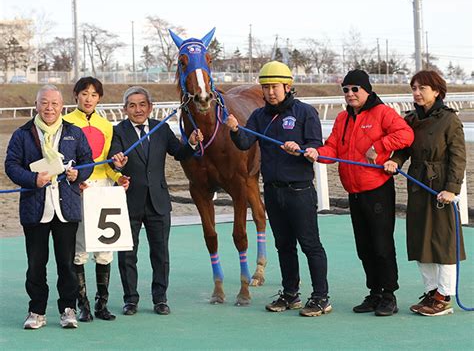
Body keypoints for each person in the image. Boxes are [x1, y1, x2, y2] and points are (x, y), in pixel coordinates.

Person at [225, 61, 331, 317]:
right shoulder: (260, 116)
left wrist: (303, 150)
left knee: (310, 244)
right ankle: (290, 293)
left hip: (300, 191)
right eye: (266, 87)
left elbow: (316, 147)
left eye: (274, 86)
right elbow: (245, 142)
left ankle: (320, 297)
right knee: (284, 245)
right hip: (273, 191)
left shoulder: (305, 113)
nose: (270, 92)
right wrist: (235, 130)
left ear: (288, 86)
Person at [305, 69, 414, 316]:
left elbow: (406, 135)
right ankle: (374, 292)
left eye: (355, 89)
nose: (350, 94)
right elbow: (333, 147)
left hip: (377, 189)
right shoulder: (343, 119)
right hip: (353, 191)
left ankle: (389, 294)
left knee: (381, 243)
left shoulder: (383, 113)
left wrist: (380, 146)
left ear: (367, 90)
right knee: (364, 245)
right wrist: (317, 154)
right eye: (346, 89)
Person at [5, 85, 93, 329]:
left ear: (62, 106)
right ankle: (36, 311)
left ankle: (68, 309)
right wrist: (33, 180)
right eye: (44, 102)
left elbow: (88, 162)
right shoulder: (22, 134)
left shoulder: (74, 133)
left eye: (54, 103)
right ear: (36, 105)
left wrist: (79, 174)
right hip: (35, 209)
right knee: (36, 263)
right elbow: (11, 165)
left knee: (66, 263)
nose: (49, 108)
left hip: (66, 209)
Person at [109, 86, 203, 316]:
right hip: (129, 201)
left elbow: (179, 153)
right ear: (124, 109)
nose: (138, 109)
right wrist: (117, 164)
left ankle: (160, 298)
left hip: (159, 202)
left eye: (142, 104)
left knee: (160, 254)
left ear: (150, 107)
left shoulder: (162, 129)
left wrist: (190, 143)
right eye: (132, 105)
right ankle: (130, 299)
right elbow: (114, 159)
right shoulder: (118, 131)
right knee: (127, 255)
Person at [384, 70, 466, 316]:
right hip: (418, 184)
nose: (417, 93)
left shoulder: (449, 120)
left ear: (437, 91)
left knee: (443, 241)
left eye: (422, 88)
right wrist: (395, 161)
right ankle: (431, 291)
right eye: (414, 88)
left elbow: (458, 157)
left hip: (440, 185)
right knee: (421, 238)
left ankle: (444, 294)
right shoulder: (410, 119)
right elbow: (403, 148)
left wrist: (451, 189)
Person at [63, 77, 129, 322]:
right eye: (84, 94)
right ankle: (83, 305)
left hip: (104, 189)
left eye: (93, 94)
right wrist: (75, 179)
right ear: (76, 96)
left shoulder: (107, 125)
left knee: (104, 250)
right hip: (78, 189)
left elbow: (109, 164)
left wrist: (120, 176)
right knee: (79, 250)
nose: (89, 99)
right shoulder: (65, 122)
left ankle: (102, 304)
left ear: (99, 98)